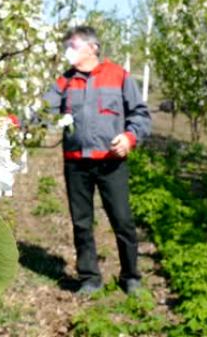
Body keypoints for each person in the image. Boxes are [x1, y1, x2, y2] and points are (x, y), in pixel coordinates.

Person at [43, 26, 151, 295]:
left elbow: (140, 114)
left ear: (92, 47)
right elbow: (41, 112)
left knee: (122, 220)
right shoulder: (64, 82)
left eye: (73, 45)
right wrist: (10, 123)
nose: (68, 51)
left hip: (110, 162)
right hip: (76, 163)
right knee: (81, 222)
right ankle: (90, 278)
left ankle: (130, 276)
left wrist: (129, 138)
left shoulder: (119, 76)